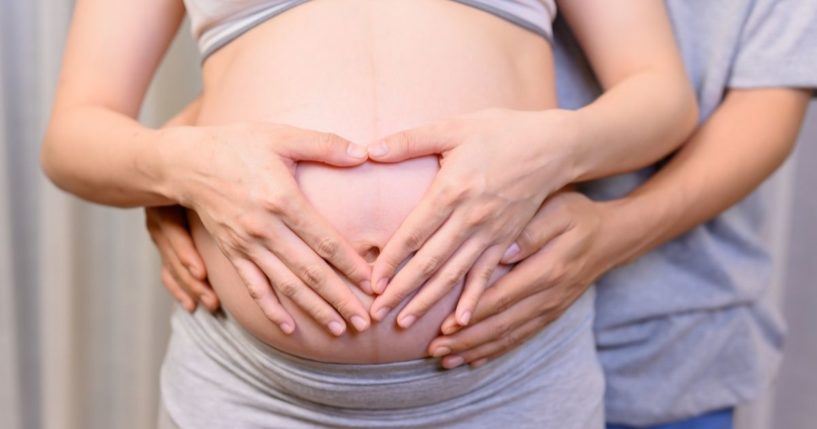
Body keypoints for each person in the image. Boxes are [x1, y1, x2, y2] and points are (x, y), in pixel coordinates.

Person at [152, 0, 817, 428]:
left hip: (647, 325)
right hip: (282, 370)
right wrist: (180, 174)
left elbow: (761, 110)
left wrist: (608, 237)